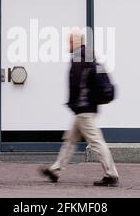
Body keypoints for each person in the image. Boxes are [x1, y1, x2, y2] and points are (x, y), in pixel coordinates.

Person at [39, 30, 119, 187]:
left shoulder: (78, 58)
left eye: (69, 41)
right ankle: (55, 170)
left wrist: (73, 103)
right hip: (85, 108)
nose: (67, 45)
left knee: (96, 141)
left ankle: (111, 174)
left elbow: (75, 84)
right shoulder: (89, 56)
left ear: (75, 42)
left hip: (83, 108)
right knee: (70, 141)